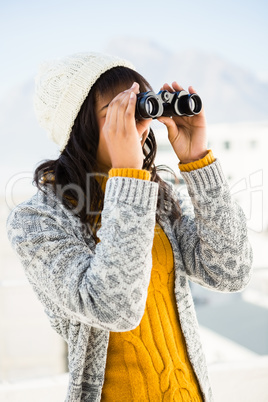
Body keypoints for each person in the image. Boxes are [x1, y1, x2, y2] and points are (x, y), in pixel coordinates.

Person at [6, 52, 253, 402]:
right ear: (80, 127)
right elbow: (114, 309)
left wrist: (197, 160)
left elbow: (231, 271)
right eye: (119, 112)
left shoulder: (156, 198)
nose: (138, 125)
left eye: (140, 108)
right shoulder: (37, 220)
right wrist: (130, 177)